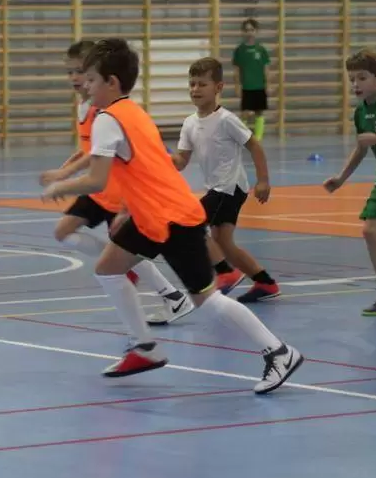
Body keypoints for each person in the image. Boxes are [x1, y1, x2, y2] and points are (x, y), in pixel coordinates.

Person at [41, 38, 303, 394]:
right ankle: (144, 347)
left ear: (112, 82)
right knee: (108, 268)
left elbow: (98, 179)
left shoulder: (108, 119)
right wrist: (128, 207)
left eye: (91, 80)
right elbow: (143, 167)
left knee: (207, 301)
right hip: (150, 215)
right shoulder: (130, 112)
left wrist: (60, 186)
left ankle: (279, 351)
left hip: (173, 218)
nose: (85, 86)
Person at [40, 40, 195, 325]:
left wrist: (64, 178)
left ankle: (169, 296)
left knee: (123, 246)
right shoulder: (85, 106)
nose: (75, 78)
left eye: (81, 72)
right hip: (100, 188)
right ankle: (162, 291)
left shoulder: (104, 110)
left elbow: (101, 153)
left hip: (115, 188)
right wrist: (65, 170)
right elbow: (89, 150)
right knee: (65, 232)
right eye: (70, 72)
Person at [173, 57, 280, 303]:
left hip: (229, 187)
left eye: (202, 84)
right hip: (217, 188)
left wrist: (263, 181)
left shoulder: (226, 119)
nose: (195, 89)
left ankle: (225, 273)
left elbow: (254, 146)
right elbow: (181, 160)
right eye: (192, 84)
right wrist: (158, 160)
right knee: (223, 242)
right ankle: (265, 282)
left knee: (189, 224)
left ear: (218, 87)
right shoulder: (189, 123)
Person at [324, 49, 376, 315]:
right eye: (352, 79)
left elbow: (370, 140)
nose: (355, 84)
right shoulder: (360, 112)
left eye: (362, 78)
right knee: (370, 232)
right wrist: (341, 178)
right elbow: (361, 148)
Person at [232, 18, 271, 141]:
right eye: (247, 30)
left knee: (259, 112)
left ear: (256, 31)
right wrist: (237, 85)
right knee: (245, 113)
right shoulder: (240, 50)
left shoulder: (261, 50)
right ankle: (243, 138)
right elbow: (236, 70)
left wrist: (268, 85)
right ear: (243, 32)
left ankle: (258, 139)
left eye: (252, 30)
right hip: (246, 86)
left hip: (259, 86)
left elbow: (266, 69)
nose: (249, 32)